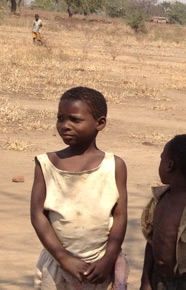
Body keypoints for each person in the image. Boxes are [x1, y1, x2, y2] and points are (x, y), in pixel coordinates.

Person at [31, 86, 128, 289]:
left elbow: (119, 216)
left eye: (75, 120)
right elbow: (38, 215)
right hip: (58, 265)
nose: (65, 125)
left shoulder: (114, 166)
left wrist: (109, 258)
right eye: (60, 118)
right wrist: (63, 258)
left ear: (100, 123)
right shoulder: (46, 164)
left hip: (99, 266)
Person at [141, 135, 186, 289]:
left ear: (169, 165)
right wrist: (146, 280)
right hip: (158, 279)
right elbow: (151, 241)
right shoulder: (159, 199)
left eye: (162, 158)